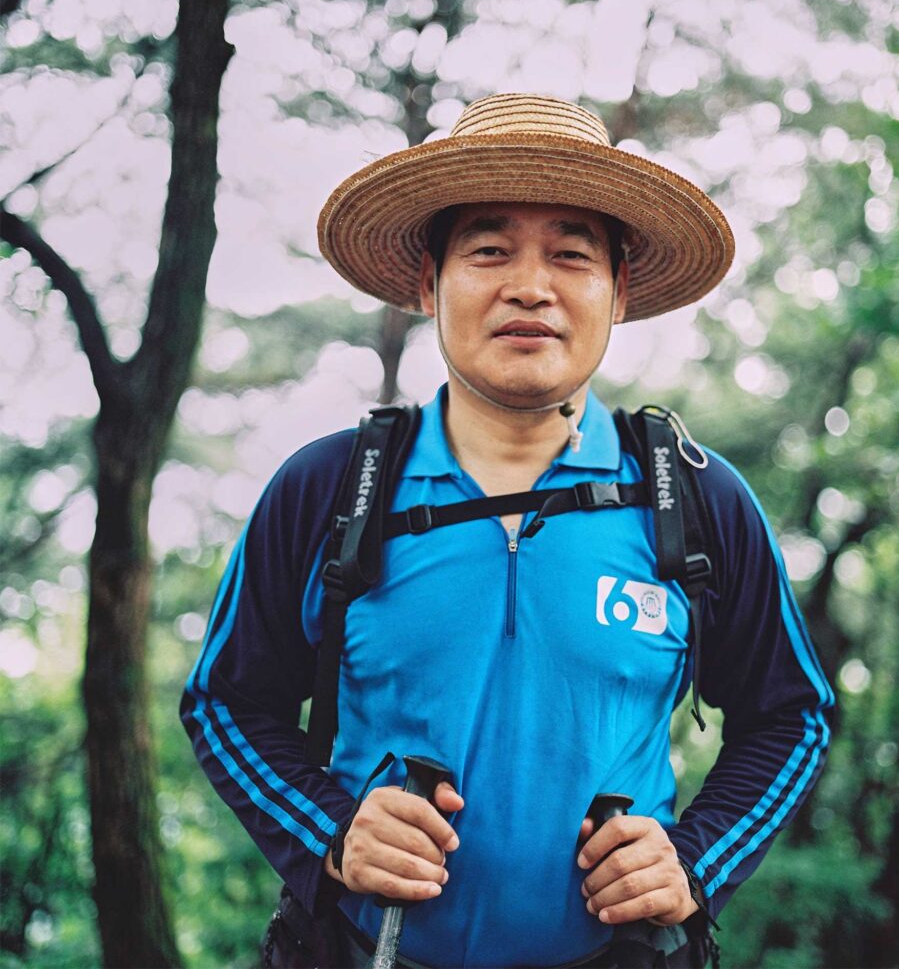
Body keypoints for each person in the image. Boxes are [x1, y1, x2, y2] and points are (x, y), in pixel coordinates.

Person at [181, 93, 834, 969]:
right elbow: (224, 701)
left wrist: (694, 858)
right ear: (428, 280)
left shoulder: (695, 498)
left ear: (619, 289)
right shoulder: (330, 489)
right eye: (489, 250)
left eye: (571, 253)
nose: (530, 286)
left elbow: (792, 715)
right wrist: (334, 836)